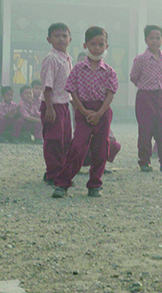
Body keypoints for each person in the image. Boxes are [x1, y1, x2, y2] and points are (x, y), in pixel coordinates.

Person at [52, 26, 121, 198]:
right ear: (85, 45)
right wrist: (83, 110)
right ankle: (62, 184)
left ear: (106, 46)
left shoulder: (110, 71)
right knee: (77, 147)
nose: (97, 48)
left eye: (101, 44)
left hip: (103, 112)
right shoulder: (77, 69)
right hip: (83, 111)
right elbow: (72, 91)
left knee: (101, 149)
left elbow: (110, 95)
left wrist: (98, 114)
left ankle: (95, 185)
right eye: (93, 44)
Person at [129, 25, 162, 173]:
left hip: (161, 96)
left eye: (158, 38)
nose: (155, 41)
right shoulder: (141, 59)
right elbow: (133, 77)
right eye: (151, 38)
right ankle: (144, 162)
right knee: (145, 129)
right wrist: (145, 87)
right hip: (145, 96)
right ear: (146, 40)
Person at [40, 23, 74, 185]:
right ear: (49, 39)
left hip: (64, 104)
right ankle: (53, 173)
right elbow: (47, 86)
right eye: (57, 36)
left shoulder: (67, 59)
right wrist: (50, 108)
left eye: (64, 36)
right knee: (53, 140)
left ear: (70, 39)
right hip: (52, 105)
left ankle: (60, 171)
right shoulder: (51, 59)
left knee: (65, 140)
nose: (61, 39)